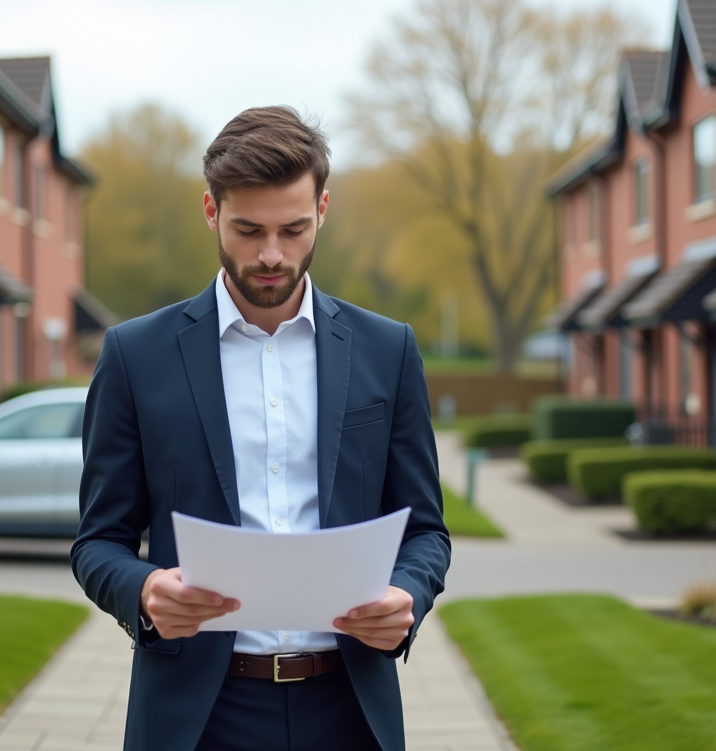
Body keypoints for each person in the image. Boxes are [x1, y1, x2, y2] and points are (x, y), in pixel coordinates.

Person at [72, 106, 450, 751]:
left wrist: (406, 596)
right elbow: (97, 542)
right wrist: (144, 591)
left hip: (350, 709)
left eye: (293, 229)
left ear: (323, 209)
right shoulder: (135, 356)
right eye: (248, 230)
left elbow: (425, 531)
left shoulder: (389, 350)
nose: (271, 255)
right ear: (211, 211)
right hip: (197, 717)